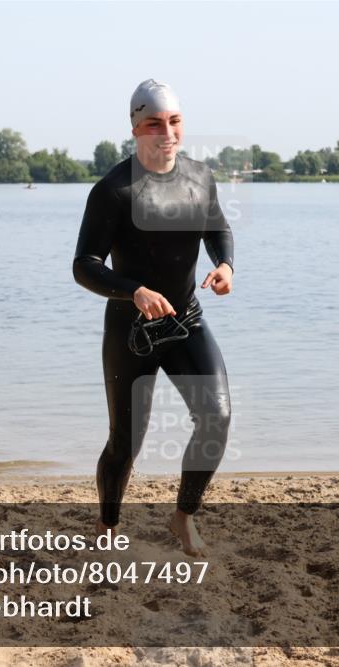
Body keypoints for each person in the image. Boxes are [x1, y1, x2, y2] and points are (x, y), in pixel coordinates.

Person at [73, 79, 234, 557]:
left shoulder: (199, 177)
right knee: (125, 443)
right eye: (154, 124)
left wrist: (224, 265)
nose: (167, 132)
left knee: (217, 418)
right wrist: (134, 291)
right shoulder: (113, 190)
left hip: (186, 320)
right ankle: (106, 526)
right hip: (131, 331)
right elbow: (84, 265)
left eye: (175, 121)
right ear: (134, 127)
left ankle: (183, 517)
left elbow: (218, 227)